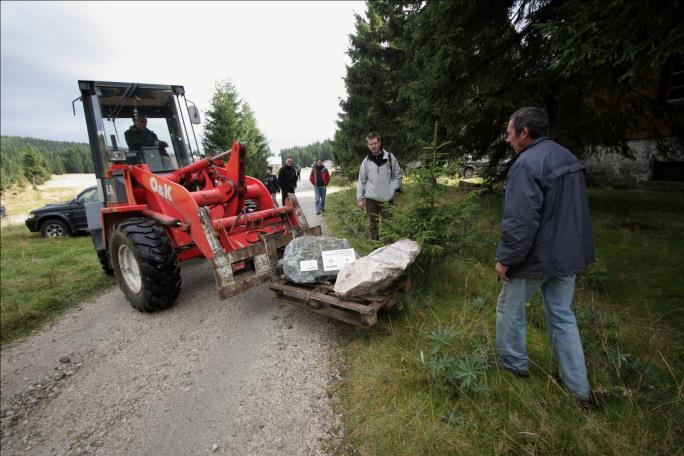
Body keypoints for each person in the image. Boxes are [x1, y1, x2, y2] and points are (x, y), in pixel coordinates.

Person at [494, 107, 595, 410]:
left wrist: (506, 259)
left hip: (537, 257)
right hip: (567, 256)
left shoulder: (527, 164)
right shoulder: (568, 158)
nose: (508, 138)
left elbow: (521, 221)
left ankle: (512, 363)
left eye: (510, 132)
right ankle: (580, 390)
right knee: (562, 317)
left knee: (508, 307)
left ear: (524, 132)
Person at [356, 132, 403, 241]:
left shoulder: (390, 157)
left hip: (387, 200)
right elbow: (361, 181)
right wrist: (360, 198)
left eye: (375, 143)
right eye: (370, 144)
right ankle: (375, 249)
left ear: (379, 142)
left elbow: (398, 176)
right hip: (371, 199)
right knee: (373, 226)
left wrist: (392, 188)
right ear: (368, 145)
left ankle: (389, 249)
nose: (373, 146)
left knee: (389, 225)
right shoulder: (366, 161)